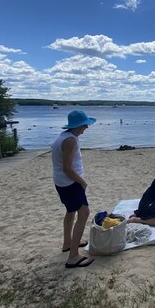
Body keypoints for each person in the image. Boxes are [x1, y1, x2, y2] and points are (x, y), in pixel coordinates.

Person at [52, 110, 97, 268]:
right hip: (69, 182)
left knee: (70, 211)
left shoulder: (64, 136)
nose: (86, 128)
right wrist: (82, 182)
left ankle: (68, 243)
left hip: (62, 182)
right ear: (78, 125)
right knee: (84, 213)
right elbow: (67, 168)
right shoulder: (70, 141)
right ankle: (73, 257)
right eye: (85, 125)